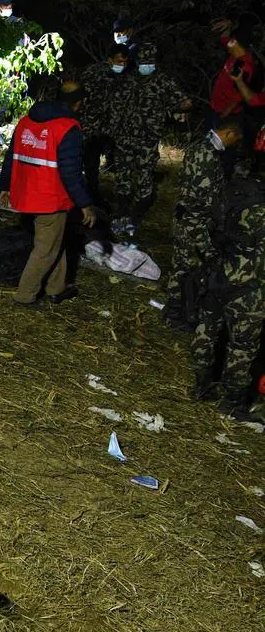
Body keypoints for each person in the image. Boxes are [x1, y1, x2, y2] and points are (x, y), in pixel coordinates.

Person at [0, 81, 98, 306]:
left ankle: (56, 288)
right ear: (78, 103)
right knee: (45, 249)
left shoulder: (26, 121)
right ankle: (25, 295)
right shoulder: (67, 127)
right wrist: (85, 204)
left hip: (25, 193)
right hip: (50, 198)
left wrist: (4, 187)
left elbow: (10, 157)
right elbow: (71, 172)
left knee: (53, 241)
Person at [191, 177, 265, 418]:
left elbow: (200, 225)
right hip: (250, 287)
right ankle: (233, 402)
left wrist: (212, 259)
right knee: (242, 347)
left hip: (218, 276)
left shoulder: (233, 191)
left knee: (206, 332)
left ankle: (201, 385)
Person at [163, 118, 243, 331]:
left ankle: (177, 311)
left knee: (185, 267)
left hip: (191, 219)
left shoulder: (203, 147)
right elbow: (201, 197)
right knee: (184, 269)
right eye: (235, 140)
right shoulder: (206, 154)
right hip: (192, 222)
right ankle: (174, 314)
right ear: (229, 133)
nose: (233, 144)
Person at [112, 42, 192, 236]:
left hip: (147, 139)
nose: (145, 64)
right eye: (142, 61)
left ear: (155, 61)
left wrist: (167, 110)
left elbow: (186, 102)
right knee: (122, 177)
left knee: (144, 180)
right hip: (125, 137)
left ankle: (135, 219)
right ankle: (120, 216)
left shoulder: (164, 81)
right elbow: (116, 102)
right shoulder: (128, 79)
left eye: (149, 61)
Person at [79, 45, 129, 208]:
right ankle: (87, 197)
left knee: (94, 165)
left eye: (125, 62)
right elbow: (84, 101)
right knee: (88, 164)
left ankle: (93, 195)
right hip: (90, 127)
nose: (122, 65)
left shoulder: (120, 76)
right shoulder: (93, 73)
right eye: (119, 61)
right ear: (109, 60)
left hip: (106, 129)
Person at [210, 24, 256, 124]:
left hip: (225, 112)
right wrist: (227, 25)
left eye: (231, 41)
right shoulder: (235, 54)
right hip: (216, 105)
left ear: (237, 44)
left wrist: (226, 113)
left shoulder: (243, 65)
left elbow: (240, 94)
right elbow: (224, 38)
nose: (228, 44)